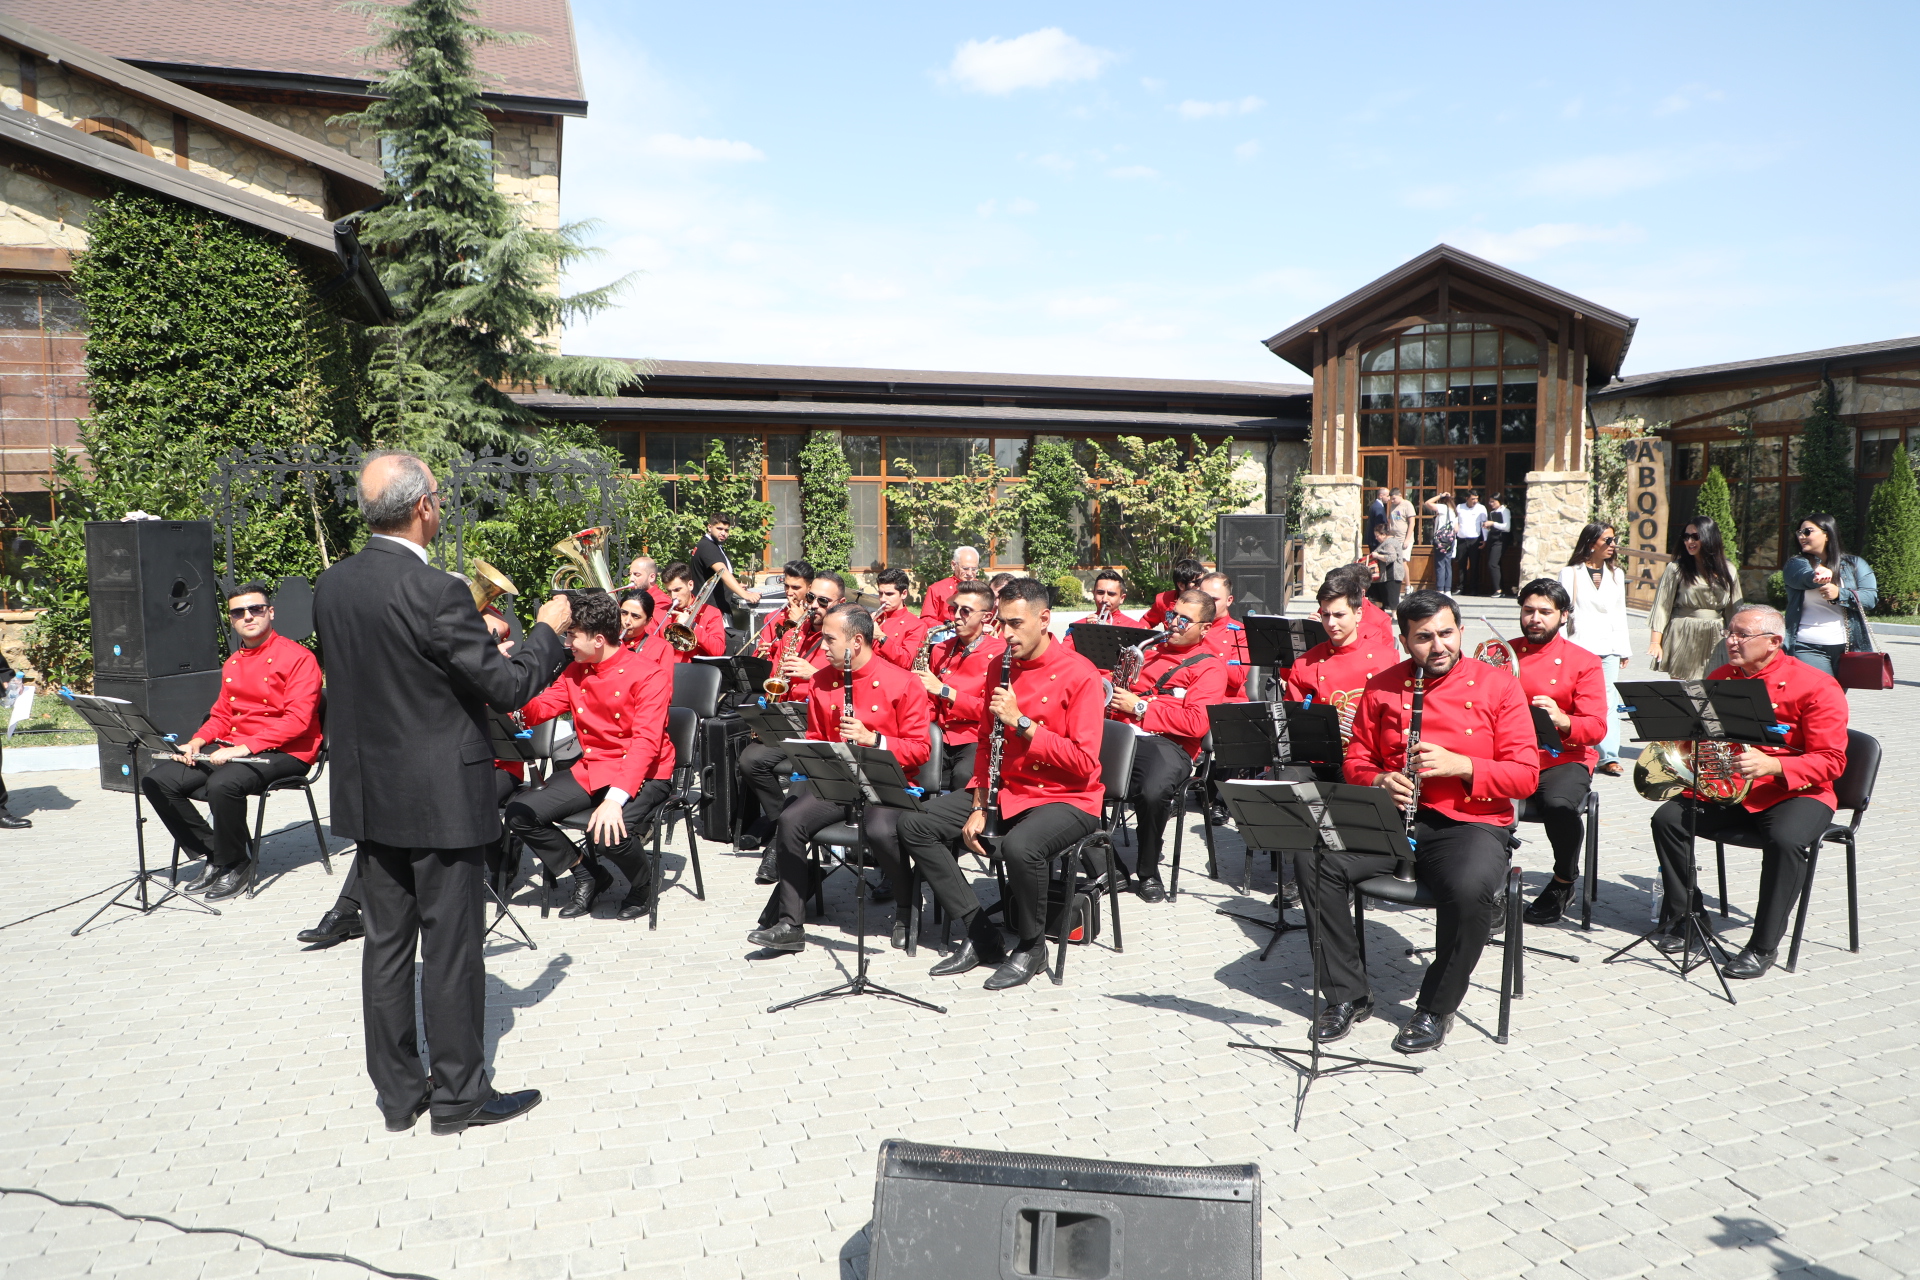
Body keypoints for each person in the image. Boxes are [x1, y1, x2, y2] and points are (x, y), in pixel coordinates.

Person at [314, 450, 572, 1136]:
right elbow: (511, 688)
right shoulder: (436, 591)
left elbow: (397, 677)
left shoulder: (332, 583)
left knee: (387, 946)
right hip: (439, 797)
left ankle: (399, 1096)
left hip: (372, 793)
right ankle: (459, 1096)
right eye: (438, 494)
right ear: (424, 506)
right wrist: (548, 630)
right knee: (452, 947)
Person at [1308, 590, 1538, 1055]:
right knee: (1315, 859)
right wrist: (1378, 779)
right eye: (1424, 638)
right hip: (1393, 816)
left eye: (1446, 634)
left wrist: (1463, 766)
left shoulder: (1499, 686)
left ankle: (1436, 1006)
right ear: (1404, 639)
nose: (1438, 647)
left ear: (1461, 631)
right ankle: (1347, 995)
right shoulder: (1384, 685)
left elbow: (1527, 775)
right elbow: (1356, 759)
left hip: (1467, 820)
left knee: (1470, 888)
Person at [896, 578, 1104, 990]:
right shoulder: (1001, 665)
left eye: (1015, 624)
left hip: (1068, 797)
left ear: (1044, 619)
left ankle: (1031, 946)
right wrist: (978, 802)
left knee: (1020, 848)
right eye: (1001, 623)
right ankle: (980, 933)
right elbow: (985, 741)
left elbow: (1084, 763)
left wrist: (1023, 724)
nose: (1005, 635)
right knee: (914, 824)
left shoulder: (1079, 674)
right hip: (1008, 789)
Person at [298, 605, 525, 947]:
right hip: (443, 769)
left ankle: (458, 894)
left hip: (495, 769)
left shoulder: (490, 654)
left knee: (446, 808)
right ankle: (350, 908)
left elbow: (501, 637)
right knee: (395, 823)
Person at [1649, 605, 1848, 979]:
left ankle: (1763, 945)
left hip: (1796, 791)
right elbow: (1707, 738)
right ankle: (1690, 917)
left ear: (1774, 642)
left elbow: (1833, 761)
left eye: (1742, 634)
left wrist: (1776, 766)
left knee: (1786, 840)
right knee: (1669, 819)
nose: (1731, 640)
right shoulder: (1723, 676)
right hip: (1733, 788)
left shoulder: (1817, 685)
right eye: (1730, 632)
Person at [745, 603, 931, 954]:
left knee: (878, 830)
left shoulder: (902, 682)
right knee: (790, 820)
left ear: (857, 641)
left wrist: (873, 740)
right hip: (837, 780)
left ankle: (907, 905)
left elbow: (921, 749)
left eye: (830, 639)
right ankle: (790, 924)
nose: (823, 646)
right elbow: (816, 736)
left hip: (885, 780)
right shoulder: (820, 680)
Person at [143, 581, 323, 902]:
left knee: (223, 784)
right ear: (231, 619)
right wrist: (197, 742)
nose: (248, 616)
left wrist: (245, 747)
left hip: (288, 750)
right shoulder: (234, 663)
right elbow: (222, 715)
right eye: (239, 612)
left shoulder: (298, 657)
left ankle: (237, 863)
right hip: (237, 749)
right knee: (159, 780)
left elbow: (298, 721)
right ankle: (216, 853)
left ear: (270, 612)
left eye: (255, 609)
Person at [506, 592, 676, 922]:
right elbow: (543, 707)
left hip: (646, 771)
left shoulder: (649, 674)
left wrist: (614, 800)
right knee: (519, 814)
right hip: (594, 766)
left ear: (598, 639)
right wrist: (512, 699)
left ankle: (642, 885)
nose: (566, 642)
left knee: (610, 833)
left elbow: (645, 744)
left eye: (571, 635)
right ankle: (588, 874)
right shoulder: (576, 670)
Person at [1106, 589, 1230, 902]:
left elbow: (1196, 725)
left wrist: (1141, 708)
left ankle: (1148, 870)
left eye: (1184, 620)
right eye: (1172, 615)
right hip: (1121, 734)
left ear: (1204, 628)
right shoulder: (1146, 651)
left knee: (1152, 791)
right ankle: (1106, 865)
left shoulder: (1209, 668)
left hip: (1169, 745)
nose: (1174, 624)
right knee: (1072, 767)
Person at [1507, 580, 1609, 926]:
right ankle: (1488, 885)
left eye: (1544, 612)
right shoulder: (1503, 653)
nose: (1534, 618)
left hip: (1563, 757)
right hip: (1509, 754)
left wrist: (1562, 719)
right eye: (1528, 610)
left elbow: (1596, 728)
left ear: (1563, 616)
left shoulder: (1584, 662)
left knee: (1559, 806)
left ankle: (1563, 880)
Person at [737, 572, 844, 857]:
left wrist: (815, 675)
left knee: (801, 771)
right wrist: (765, 713)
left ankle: (779, 845)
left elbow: (852, 688)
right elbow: (775, 681)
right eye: (811, 598)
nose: (814, 605)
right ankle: (778, 820)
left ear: (839, 603)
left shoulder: (844, 640)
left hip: (825, 727)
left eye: (823, 601)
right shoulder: (794, 634)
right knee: (749, 759)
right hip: (790, 720)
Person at [1285, 570, 1400, 747]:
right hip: (1318, 753)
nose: (1331, 623)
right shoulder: (1304, 663)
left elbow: (1395, 717)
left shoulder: (1386, 658)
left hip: (1367, 752)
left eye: (1339, 615)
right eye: (1325, 615)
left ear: (1358, 614)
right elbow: (1293, 719)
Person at [916, 580, 1005, 796]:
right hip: (941, 734)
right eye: (954, 608)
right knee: (908, 763)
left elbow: (992, 712)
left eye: (965, 611)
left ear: (986, 616)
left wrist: (945, 691)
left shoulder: (1001, 652)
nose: (956, 616)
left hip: (976, 737)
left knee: (964, 776)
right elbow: (932, 704)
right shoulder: (939, 649)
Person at [1559, 523, 1631, 776]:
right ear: (1591, 543)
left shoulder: (1616, 574)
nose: (1613, 545)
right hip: (1579, 646)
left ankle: (1609, 756)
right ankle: (1578, 750)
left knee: (1609, 701)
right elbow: (1562, 613)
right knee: (1579, 701)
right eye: (1608, 540)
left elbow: (1619, 612)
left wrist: (1624, 649)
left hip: (1609, 646)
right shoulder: (1570, 573)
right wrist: (1559, 647)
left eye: (1614, 540)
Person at [1783, 513, 1878, 677]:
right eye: (1799, 532)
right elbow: (1801, 577)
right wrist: (1817, 576)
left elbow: (1870, 599)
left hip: (1846, 646)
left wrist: (1839, 593)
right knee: (1821, 694)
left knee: (1837, 699)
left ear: (1827, 533)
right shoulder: (1796, 563)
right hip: (1807, 645)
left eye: (1807, 531)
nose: (1801, 536)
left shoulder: (1854, 564)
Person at [1648, 515, 1739, 680]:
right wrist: (1655, 642)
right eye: (1686, 536)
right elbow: (1662, 606)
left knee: (1714, 685)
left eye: (1695, 536)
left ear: (1709, 537)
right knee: (1685, 690)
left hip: (1716, 633)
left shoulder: (1729, 569)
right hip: (1683, 631)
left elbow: (1734, 609)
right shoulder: (1676, 568)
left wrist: (1738, 640)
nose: (1689, 541)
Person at [689, 515, 763, 627]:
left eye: (726, 530)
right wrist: (745, 595)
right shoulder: (707, 547)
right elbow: (723, 573)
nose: (723, 533)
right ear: (709, 527)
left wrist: (734, 587)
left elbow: (714, 576)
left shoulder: (713, 545)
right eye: (719, 529)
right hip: (711, 612)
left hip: (712, 610)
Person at [656, 560, 727, 661]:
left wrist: (693, 626)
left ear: (690, 585)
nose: (673, 596)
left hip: (696, 672)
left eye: (677, 590)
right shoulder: (660, 613)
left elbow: (718, 650)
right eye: (669, 591)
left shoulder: (711, 613)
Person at [1195, 571, 1249, 700]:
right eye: (1203, 598)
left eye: (1214, 599)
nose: (1207, 604)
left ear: (1229, 600)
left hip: (1225, 701)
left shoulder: (1240, 632)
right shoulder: (1189, 626)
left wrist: (1204, 654)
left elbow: (1237, 677)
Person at [752, 559, 816, 664]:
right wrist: (761, 655)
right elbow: (760, 657)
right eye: (786, 586)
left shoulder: (818, 616)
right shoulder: (772, 617)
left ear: (809, 587)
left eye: (796, 587)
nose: (789, 592)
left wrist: (801, 622)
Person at [869, 567, 929, 669]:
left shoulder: (917, 625)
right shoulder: (874, 617)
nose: (883, 599)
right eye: (880, 593)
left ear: (904, 594)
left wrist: (881, 637)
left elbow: (907, 662)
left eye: (889, 594)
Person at [920, 546, 981, 625]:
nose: (969, 573)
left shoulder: (983, 589)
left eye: (974, 569)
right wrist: (948, 629)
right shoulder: (937, 589)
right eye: (965, 568)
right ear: (953, 565)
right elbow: (927, 619)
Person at [1141, 558, 1207, 628]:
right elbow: (1146, 622)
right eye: (1197, 583)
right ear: (1181, 585)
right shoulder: (1164, 600)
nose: (1202, 586)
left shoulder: (1210, 601)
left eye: (1203, 581)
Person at [1453, 490, 1487, 595]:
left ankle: (1474, 588)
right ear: (1467, 498)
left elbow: (1484, 525)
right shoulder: (1460, 507)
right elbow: (1455, 520)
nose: (1475, 501)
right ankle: (1461, 587)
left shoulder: (1481, 508)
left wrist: (1485, 539)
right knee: (1461, 564)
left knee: (1474, 565)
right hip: (1462, 539)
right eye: (1473, 499)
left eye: (1476, 498)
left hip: (1475, 539)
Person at [1423, 491, 1456, 592]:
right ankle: (1448, 590)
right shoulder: (1453, 511)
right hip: (1450, 539)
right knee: (1447, 564)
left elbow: (1427, 503)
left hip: (1441, 540)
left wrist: (1440, 495)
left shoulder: (1442, 508)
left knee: (1440, 564)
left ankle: (1440, 589)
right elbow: (1456, 529)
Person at [1371, 531, 1409, 611]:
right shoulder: (1392, 541)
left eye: (1377, 536)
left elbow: (1391, 557)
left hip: (1391, 573)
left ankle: (1394, 617)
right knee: (1388, 597)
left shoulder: (1389, 543)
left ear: (1384, 534)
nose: (1376, 538)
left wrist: (1377, 555)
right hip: (1391, 573)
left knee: (1392, 598)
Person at [1484, 494, 1513, 596]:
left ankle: (1498, 590)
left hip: (1500, 540)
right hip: (1492, 539)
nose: (1491, 504)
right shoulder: (1492, 513)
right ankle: (1501, 589)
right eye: (1490, 501)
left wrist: (1493, 524)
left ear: (1499, 501)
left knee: (1493, 563)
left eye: (1493, 501)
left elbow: (1507, 527)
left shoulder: (1505, 511)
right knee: (1496, 564)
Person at [627, 554, 671, 621]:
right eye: (630, 574)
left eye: (637, 575)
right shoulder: (632, 597)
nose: (631, 579)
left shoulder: (661, 601)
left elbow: (653, 630)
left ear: (652, 577)